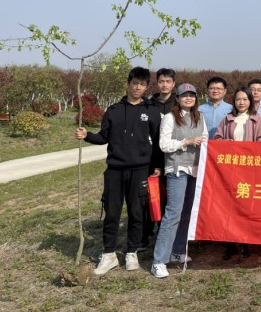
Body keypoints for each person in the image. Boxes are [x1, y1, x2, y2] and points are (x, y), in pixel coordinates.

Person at [75, 67, 162, 276]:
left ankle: (132, 252)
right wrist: (87, 135)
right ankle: (109, 255)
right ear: (128, 84)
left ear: (146, 87)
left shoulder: (151, 110)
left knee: (136, 212)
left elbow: (158, 141)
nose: (138, 87)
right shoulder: (113, 110)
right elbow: (103, 137)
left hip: (140, 170)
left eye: (142, 84)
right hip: (114, 170)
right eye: (135, 83)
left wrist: (157, 165)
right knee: (112, 212)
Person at [150, 83, 207, 278]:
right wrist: (187, 142)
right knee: (173, 213)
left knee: (187, 212)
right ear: (178, 98)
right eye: (184, 95)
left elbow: (205, 139)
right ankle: (159, 260)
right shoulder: (170, 118)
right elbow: (164, 144)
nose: (188, 98)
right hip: (177, 169)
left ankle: (177, 251)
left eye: (192, 95)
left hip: (195, 170)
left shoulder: (199, 117)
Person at [214, 86, 261, 259]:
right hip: (229, 171)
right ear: (234, 101)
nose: (241, 102)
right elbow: (217, 140)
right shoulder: (227, 119)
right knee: (229, 206)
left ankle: (246, 242)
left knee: (246, 206)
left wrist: (249, 149)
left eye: (245, 99)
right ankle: (230, 244)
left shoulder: (257, 119)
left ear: (250, 101)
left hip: (249, 170)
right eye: (238, 99)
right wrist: (226, 143)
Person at [139, 67, 176, 252]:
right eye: (161, 81)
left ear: (173, 84)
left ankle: (165, 234)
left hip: (173, 159)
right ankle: (145, 235)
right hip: (153, 158)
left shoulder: (179, 103)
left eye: (168, 81)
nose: (164, 85)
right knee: (150, 198)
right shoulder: (148, 104)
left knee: (169, 198)